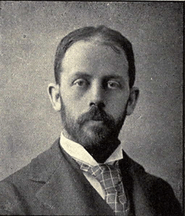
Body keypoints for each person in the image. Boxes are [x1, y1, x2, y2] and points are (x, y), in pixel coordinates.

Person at [0, 25, 182, 216]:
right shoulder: (10, 198)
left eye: (112, 84)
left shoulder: (161, 194)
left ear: (131, 100)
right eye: (80, 82)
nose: (96, 97)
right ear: (56, 97)